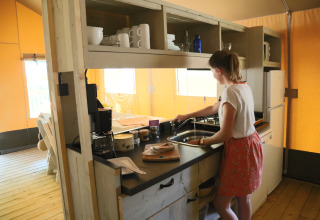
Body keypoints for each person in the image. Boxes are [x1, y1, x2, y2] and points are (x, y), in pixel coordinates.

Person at [174, 51, 263, 220]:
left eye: (212, 72)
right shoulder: (242, 86)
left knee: (221, 204)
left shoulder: (230, 91)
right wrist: (187, 115)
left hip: (240, 151)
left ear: (219, 71)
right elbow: (216, 107)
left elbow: (224, 135)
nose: (213, 76)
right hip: (251, 143)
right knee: (244, 197)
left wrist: (200, 141)